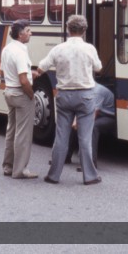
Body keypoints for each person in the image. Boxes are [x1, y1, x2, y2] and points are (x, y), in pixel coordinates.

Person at [37, 15, 103, 185]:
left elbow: (41, 67)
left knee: (61, 137)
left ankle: (53, 175)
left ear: (68, 29)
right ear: (84, 30)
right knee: (85, 138)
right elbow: (99, 67)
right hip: (86, 96)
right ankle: (90, 176)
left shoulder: (58, 49)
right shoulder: (89, 49)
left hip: (64, 95)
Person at [0, 19, 39, 179]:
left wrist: (31, 74)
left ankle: (8, 166)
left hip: (9, 91)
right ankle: (20, 170)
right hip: (21, 94)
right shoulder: (21, 51)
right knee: (23, 134)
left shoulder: (7, 49)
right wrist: (31, 95)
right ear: (20, 34)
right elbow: (23, 80)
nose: (31, 33)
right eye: (28, 31)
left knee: (12, 130)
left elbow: (6, 72)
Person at [66, 83, 115, 168]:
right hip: (98, 114)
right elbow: (79, 109)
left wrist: (81, 125)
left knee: (93, 127)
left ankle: (90, 164)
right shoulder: (85, 90)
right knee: (72, 124)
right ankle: (66, 156)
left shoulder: (97, 91)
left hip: (109, 117)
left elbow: (94, 114)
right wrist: (74, 123)